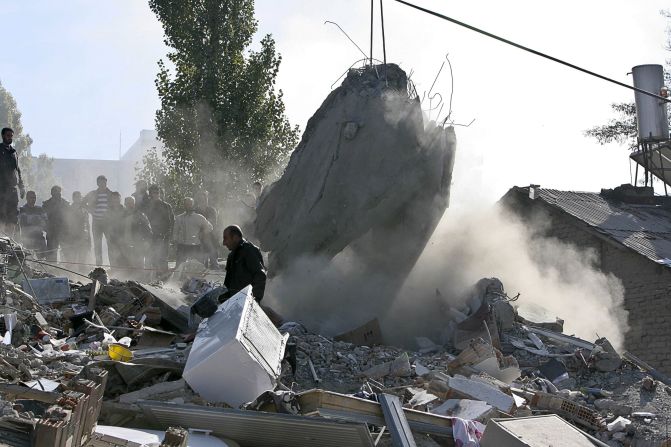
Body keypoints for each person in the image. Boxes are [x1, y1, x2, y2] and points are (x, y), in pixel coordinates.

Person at [222, 225, 266, 302]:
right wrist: (221, 299)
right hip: (234, 302)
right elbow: (227, 284)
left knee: (267, 312)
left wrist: (253, 300)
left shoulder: (249, 251)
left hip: (247, 302)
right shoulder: (231, 256)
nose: (224, 243)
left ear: (235, 237)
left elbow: (260, 275)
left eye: (226, 238)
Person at [172, 197, 212, 266]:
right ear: (184, 205)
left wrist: (202, 233)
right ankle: (180, 276)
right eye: (186, 204)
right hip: (182, 246)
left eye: (190, 204)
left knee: (198, 267)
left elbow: (210, 227)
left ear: (193, 205)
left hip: (195, 246)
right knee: (179, 267)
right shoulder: (179, 218)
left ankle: (197, 276)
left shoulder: (199, 217)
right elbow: (175, 231)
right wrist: (175, 242)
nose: (188, 206)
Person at [0, 128, 25, 235]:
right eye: (8, 135)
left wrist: (21, 186)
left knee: (13, 215)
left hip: (12, 190)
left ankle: (8, 239)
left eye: (11, 136)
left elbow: (17, 170)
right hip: (1, 189)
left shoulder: (14, 152)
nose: (10, 138)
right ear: (3, 136)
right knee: (1, 215)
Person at [145, 184, 174, 274]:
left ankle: (164, 276)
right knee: (150, 257)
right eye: (154, 193)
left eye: (158, 192)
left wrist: (169, 234)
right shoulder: (147, 206)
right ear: (150, 194)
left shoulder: (166, 206)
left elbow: (172, 221)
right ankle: (151, 276)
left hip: (164, 236)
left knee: (163, 257)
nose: (156, 194)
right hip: (151, 236)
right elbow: (144, 221)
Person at [84, 175, 112, 265]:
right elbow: (82, 202)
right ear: (97, 183)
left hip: (108, 223)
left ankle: (112, 265)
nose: (102, 184)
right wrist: (90, 210)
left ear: (106, 182)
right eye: (100, 182)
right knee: (97, 245)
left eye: (104, 182)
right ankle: (99, 266)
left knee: (111, 244)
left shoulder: (111, 194)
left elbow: (117, 204)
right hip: (96, 222)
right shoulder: (93, 194)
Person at [121, 196, 152, 274]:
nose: (129, 205)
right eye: (128, 203)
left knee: (139, 264)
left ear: (134, 204)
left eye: (131, 203)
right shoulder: (121, 216)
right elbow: (116, 230)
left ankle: (140, 281)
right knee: (126, 265)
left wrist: (147, 241)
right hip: (125, 244)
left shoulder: (140, 215)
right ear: (125, 204)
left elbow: (148, 229)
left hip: (138, 243)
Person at [42, 185, 70, 262]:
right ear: (51, 193)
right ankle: (51, 270)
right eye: (55, 192)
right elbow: (43, 218)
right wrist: (47, 229)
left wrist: (67, 230)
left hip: (63, 232)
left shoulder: (65, 204)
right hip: (51, 232)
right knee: (51, 255)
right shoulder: (46, 204)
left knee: (66, 254)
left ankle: (68, 270)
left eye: (59, 192)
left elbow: (69, 219)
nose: (57, 194)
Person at [64, 191, 91, 264]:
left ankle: (82, 273)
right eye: (76, 197)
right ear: (73, 198)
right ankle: (72, 274)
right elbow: (67, 224)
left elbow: (87, 225)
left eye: (80, 197)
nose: (78, 199)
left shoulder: (84, 210)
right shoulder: (69, 209)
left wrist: (89, 240)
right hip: (72, 237)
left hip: (83, 236)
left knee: (82, 259)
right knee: (72, 259)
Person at [194, 190, 219, 269]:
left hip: (211, 238)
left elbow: (213, 223)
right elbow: (195, 225)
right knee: (201, 263)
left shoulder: (212, 210)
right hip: (199, 239)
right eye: (201, 199)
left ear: (207, 199)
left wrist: (204, 231)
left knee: (214, 261)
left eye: (205, 199)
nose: (203, 201)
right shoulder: (195, 211)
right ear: (198, 200)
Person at [104, 191, 125, 268]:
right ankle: (114, 271)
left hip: (123, 237)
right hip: (111, 237)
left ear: (120, 199)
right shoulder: (108, 211)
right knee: (112, 256)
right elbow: (105, 224)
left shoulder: (124, 209)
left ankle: (124, 274)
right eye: (113, 198)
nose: (115, 200)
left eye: (117, 198)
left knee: (123, 256)